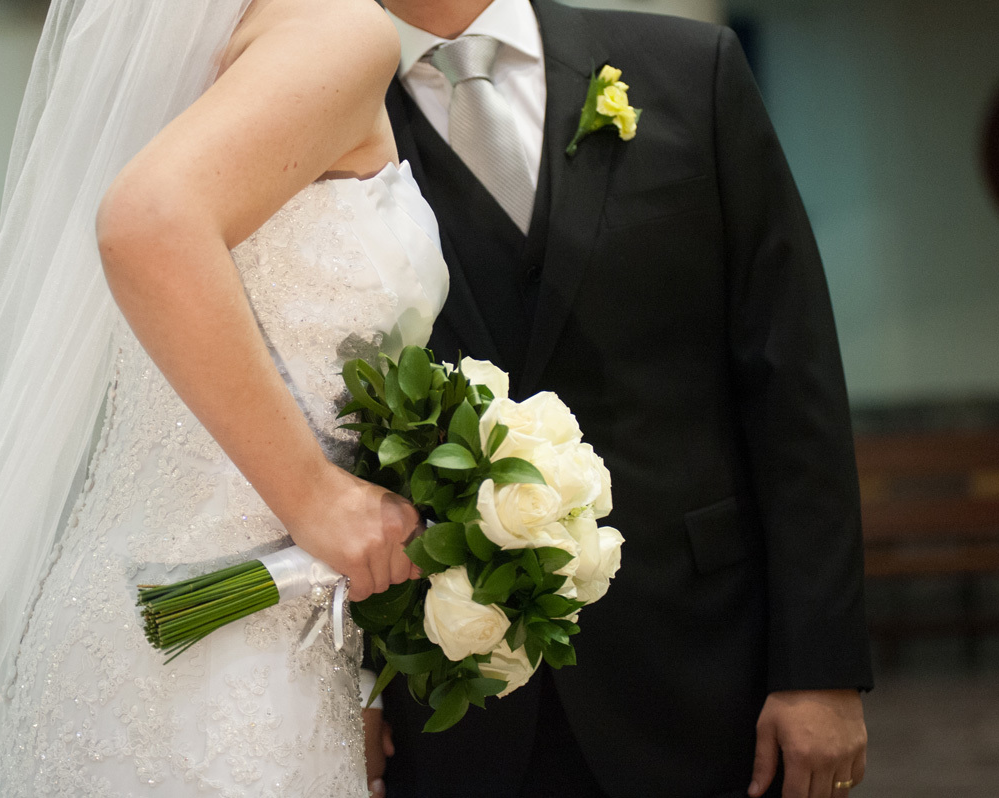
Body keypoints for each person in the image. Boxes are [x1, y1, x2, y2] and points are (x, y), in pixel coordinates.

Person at [0, 0, 447, 794]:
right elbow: (147, 223)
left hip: (152, 615)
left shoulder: (177, 58)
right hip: (226, 656)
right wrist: (315, 497)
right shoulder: (335, 28)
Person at [366, 1, 873, 797]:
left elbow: (791, 377)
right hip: (455, 697)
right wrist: (356, 685)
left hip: (702, 661)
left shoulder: (691, 70)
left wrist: (820, 666)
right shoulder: (323, 115)